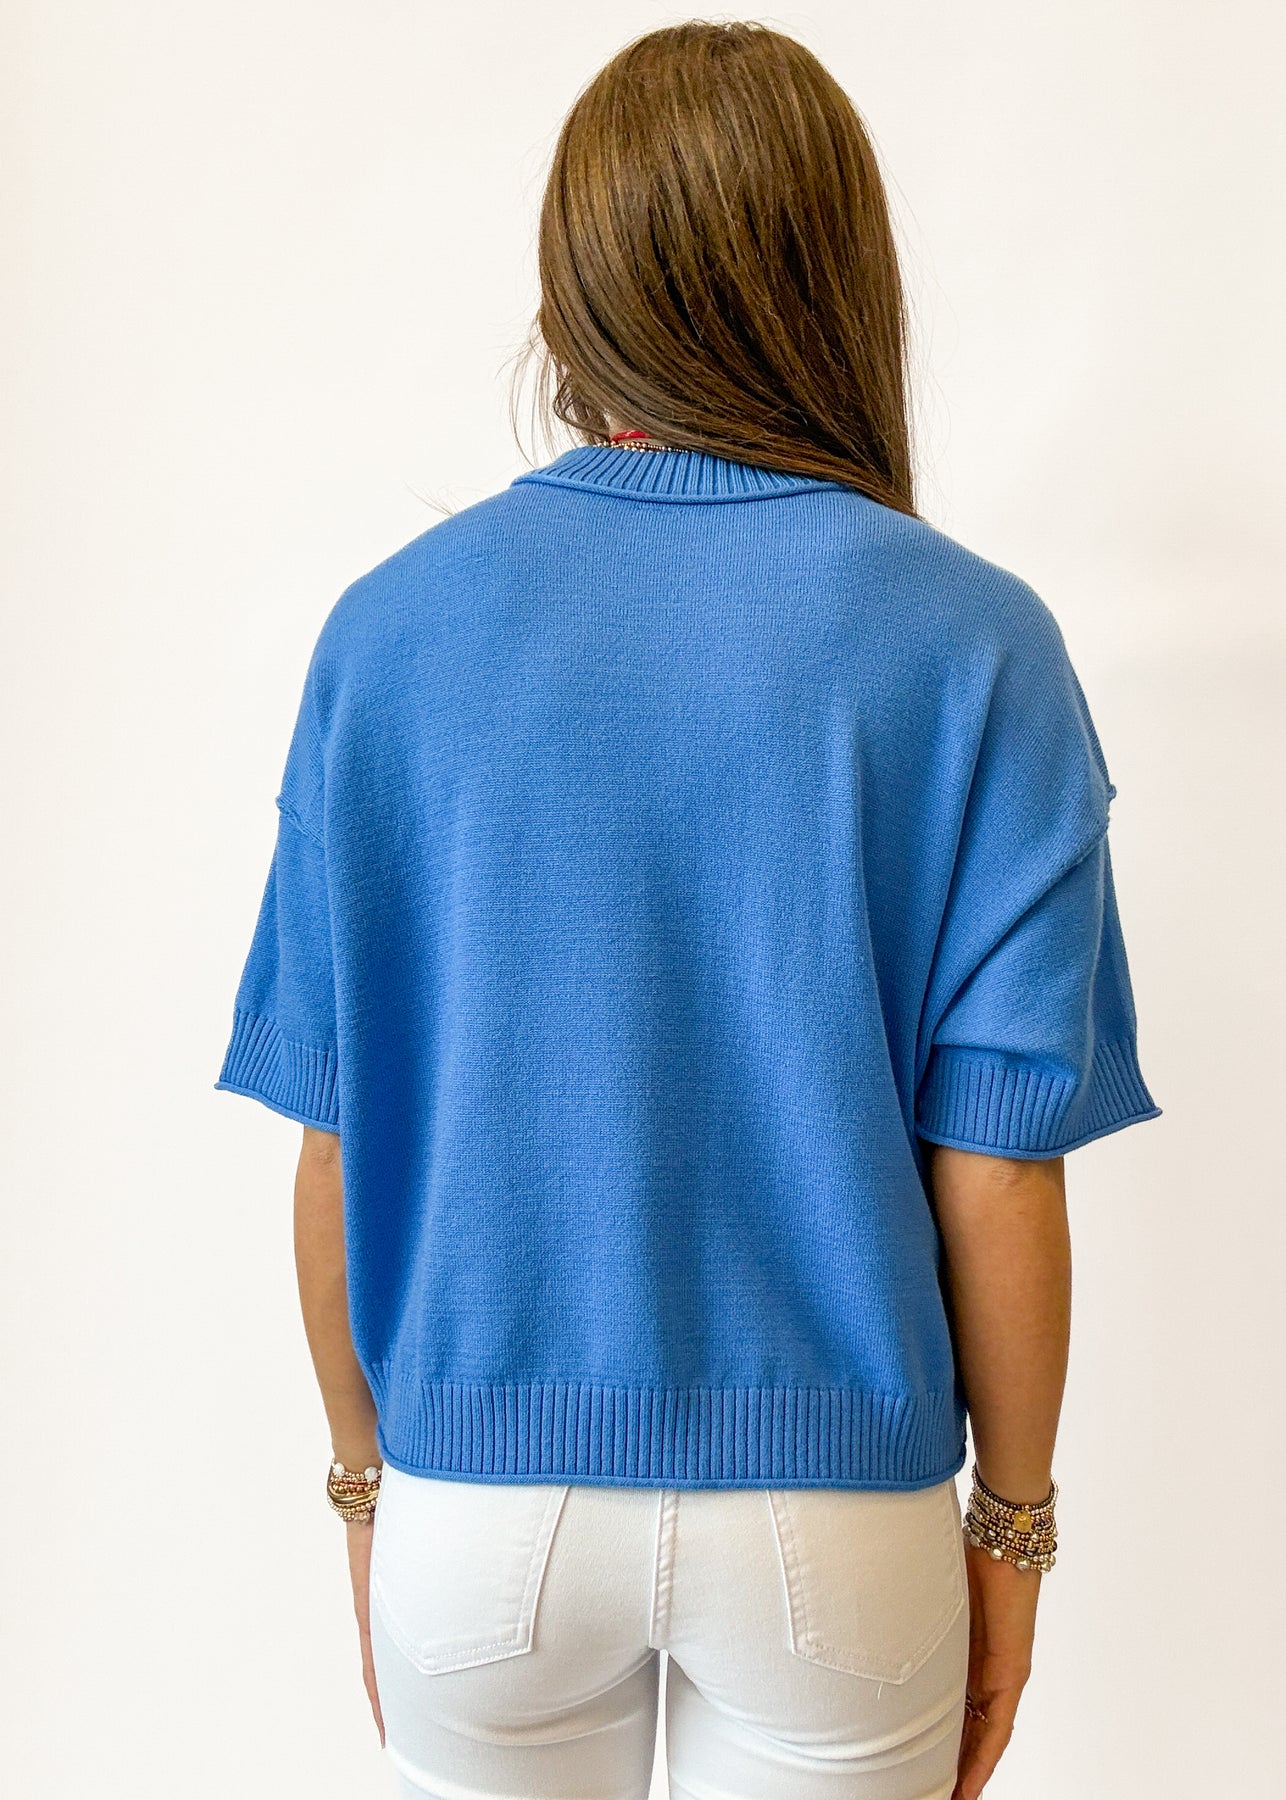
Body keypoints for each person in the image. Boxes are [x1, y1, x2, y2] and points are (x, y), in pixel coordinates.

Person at [216, 20, 1160, 1800]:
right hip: (836, 1515)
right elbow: (996, 1169)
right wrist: (1013, 1531)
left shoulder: (390, 633)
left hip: (476, 1504)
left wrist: (365, 1491)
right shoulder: (975, 643)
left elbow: (334, 1140)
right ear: (840, 280)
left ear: (574, 285)